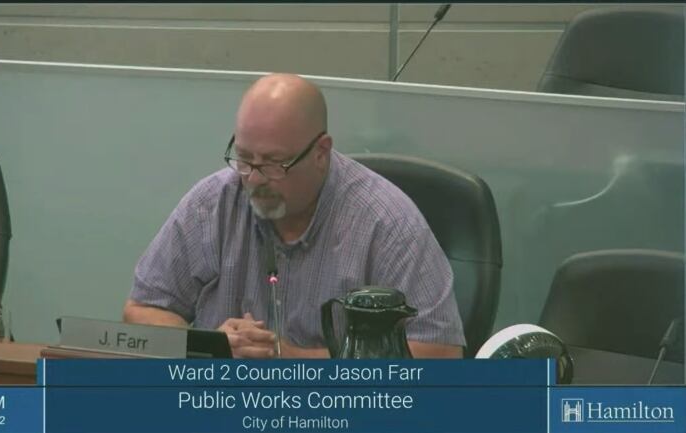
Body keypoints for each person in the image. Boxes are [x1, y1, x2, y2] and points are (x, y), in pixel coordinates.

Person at [124, 73, 465, 359]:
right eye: (244, 158)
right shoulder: (212, 204)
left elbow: (440, 351)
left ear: (321, 153)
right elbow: (140, 311)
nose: (254, 180)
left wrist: (294, 359)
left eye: (274, 163)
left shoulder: (386, 223)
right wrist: (207, 343)